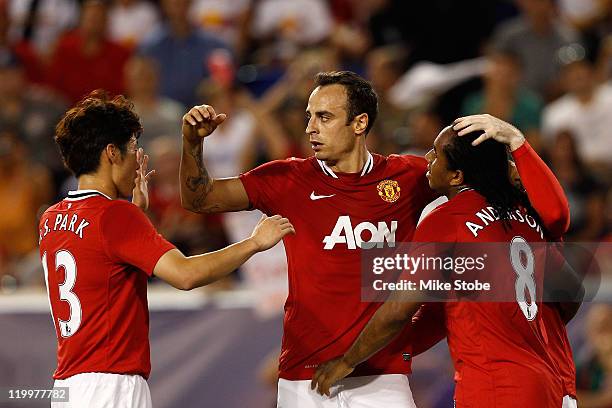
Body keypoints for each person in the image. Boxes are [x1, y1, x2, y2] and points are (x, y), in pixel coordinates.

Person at [179, 71, 570, 407]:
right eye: (309, 116)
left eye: (325, 117)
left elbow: (496, 186)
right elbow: (200, 199)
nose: (310, 128)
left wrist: (516, 144)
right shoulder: (286, 179)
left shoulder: (413, 177)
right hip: (304, 374)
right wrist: (193, 144)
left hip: (384, 376)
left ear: (360, 122)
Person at [39, 90, 294, 408]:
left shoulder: (51, 219)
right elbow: (186, 275)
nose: (137, 158)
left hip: (67, 387)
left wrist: (136, 216)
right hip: (111, 385)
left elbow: (101, 266)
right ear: (111, 154)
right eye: (132, 148)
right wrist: (254, 242)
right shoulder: (116, 217)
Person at [310, 123, 578, 407]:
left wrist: (348, 361)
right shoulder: (524, 215)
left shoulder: (445, 220)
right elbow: (573, 294)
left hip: (494, 387)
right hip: (551, 384)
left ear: (456, 176)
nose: (427, 159)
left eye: (436, 154)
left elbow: (399, 309)